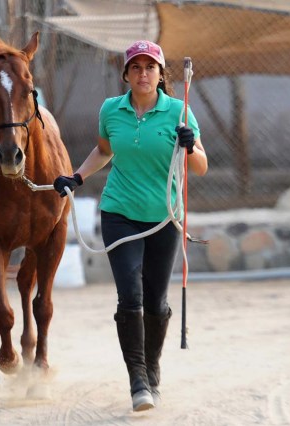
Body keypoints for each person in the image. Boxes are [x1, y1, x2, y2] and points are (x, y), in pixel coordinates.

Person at [53, 40, 208, 411]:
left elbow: (200, 166)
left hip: (165, 218)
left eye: (150, 67)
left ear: (161, 74)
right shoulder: (111, 110)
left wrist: (190, 146)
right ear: (125, 74)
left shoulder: (179, 112)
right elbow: (105, 150)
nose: (143, 73)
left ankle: (152, 367)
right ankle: (137, 378)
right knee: (130, 296)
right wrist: (76, 177)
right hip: (119, 212)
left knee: (155, 300)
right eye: (135, 68)